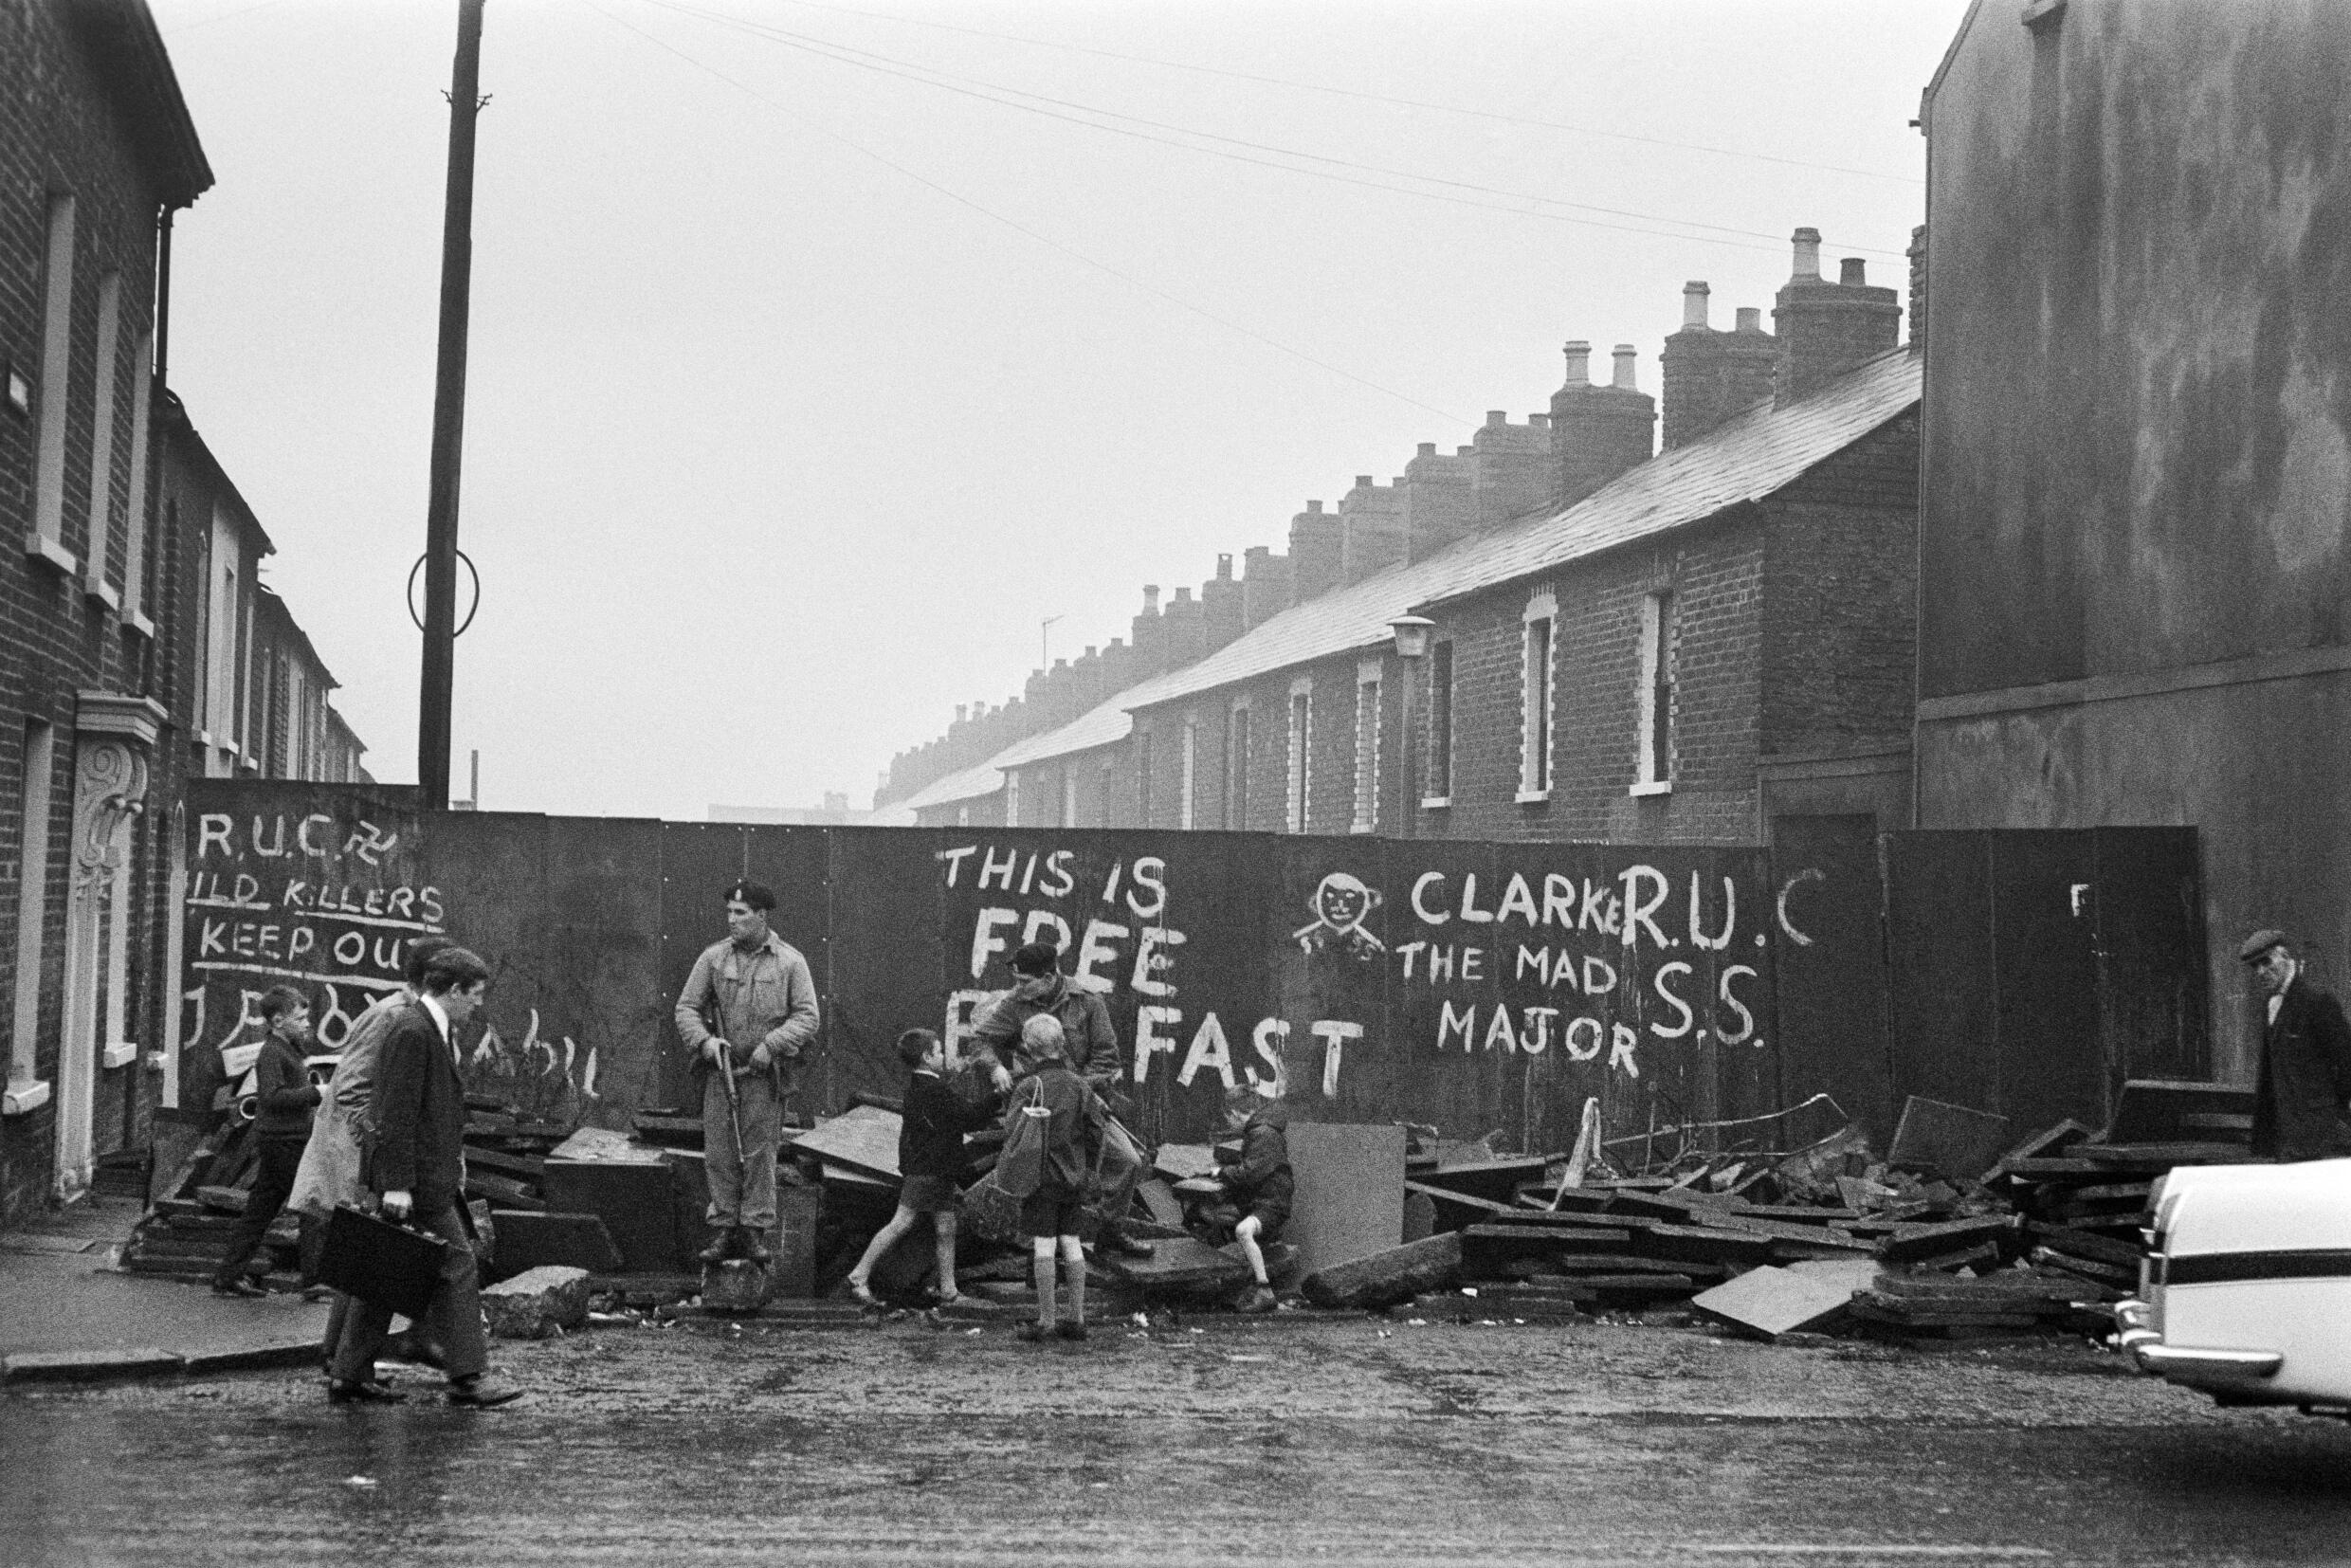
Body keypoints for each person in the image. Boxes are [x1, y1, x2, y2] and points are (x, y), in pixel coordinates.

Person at [325, 946, 521, 1407]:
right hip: (417, 1180)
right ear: (453, 990)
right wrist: (396, 1183)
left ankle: (349, 1375)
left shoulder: (422, 1025)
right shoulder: (413, 1031)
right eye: (474, 994)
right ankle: (468, 1378)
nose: (477, 1003)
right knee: (457, 1267)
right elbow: (396, 1111)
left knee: (385, 1270)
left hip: (422, 1176)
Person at [290, 936, 457, 1359]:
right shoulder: (395, 1016)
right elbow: (351, 1089)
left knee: (371, 1258)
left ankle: (346, 1358)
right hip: (363, 1154)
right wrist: (384, 1154)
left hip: (386, 1156)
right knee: (371, 1257)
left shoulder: (419, 1016)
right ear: (435, 976)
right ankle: (349, 1359)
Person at [672, 880, 821, 1266]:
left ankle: (754, 1233)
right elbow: (686, 1008)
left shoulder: (791, 961)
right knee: (719, 1154)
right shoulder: (714, 958)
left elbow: (808, 1016)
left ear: (761, 915)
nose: (732, 920)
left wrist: (770, 1046)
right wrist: (707, 1044)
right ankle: (723, 1230)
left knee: (759, 1155)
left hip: (763, 1078)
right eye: (729, 913)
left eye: (740, 913)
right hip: (721, 1074)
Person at [970, 941, 1151, 1258]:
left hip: (1086, 1100)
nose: (1018, 988)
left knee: (1127, 1160)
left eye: (1026, 981)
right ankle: (1026, 1242)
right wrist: (996, 1066)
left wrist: (1073, 1088)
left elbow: (1107, 1060)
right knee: (1027, 1167)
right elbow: (980, 1041)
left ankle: (1111, 1231)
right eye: (1018, 981)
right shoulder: (1016, 1004)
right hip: (1040, 1107)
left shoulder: (1089, 1004)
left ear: (1050, 976)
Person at [845, 1029, 1006, 1308]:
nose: (943, 1055)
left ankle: (948, 1291)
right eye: (939, 1050)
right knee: (903, 1223)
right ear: (927, 1057)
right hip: (931, 1171)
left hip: (930, 1170)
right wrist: (997, 1095)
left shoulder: (918, 1088)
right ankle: (859, 1276)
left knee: (945, 1226)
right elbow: (970, 1118)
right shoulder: (936, 1091)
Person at [211, 986, 322, 1297]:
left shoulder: (287, 1049)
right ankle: (314, 1281)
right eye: (299, 1018)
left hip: (282, 1141)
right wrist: (317, 1094)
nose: (306, 1023)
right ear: (277, 1021)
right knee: (310, 1205)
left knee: (259, 1212)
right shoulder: (273, 1052)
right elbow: (271, 1098)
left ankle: (228, 1275)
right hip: (283, 1142)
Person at [1007, 1014, 1105, 1343]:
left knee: (1044, 1246)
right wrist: (1086, 1167)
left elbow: (1012, 1131)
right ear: (1061, 1044)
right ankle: (1076, 1320)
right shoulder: (1080, 1085)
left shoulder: (1027, 1086)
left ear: (1029, 1049)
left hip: (1040, 1178)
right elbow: (1096, 1130)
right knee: (1072, 1243)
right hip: (1073, 1178)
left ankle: (1046, 1321)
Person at [2241, 929, 2351, 1161]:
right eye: (2255, 967)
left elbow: (2346, 1060)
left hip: (2320, 1134)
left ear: (2285, 956)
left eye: (2266, 962)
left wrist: (2335, 1115)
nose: (2261, 972)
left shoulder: (2316, 1001)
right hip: (2286, 1135)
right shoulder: (2270, 1005)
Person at [1198, 1081, 1293, 1314]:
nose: (1228, 1124)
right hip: (1264, 1201)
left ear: (1234, 1114)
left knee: (1242, 1231)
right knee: (1214, 1217)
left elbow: (1249, 1174)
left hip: (1271, 1205)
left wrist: (1222, 1172)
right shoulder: (1262, 1129)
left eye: (1228, 1119)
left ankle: (1264, 1291)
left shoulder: (1262, 1133)